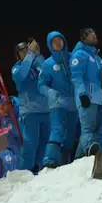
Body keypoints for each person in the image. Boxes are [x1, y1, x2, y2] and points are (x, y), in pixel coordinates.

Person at [38, 31, 77, 169]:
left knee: (71, 134)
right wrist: (50, 92)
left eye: (60, 40)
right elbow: (41, 85)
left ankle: (64, 160)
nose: (58, 43)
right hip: (57, 103)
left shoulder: (73, 58)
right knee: (57, 129)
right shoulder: (47, 64)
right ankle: (49, 159)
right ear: (50, 45)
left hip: (74, 104)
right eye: (54, 41)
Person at [11, 39, 50, 172]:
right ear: (18, 56)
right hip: (29, 112)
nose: (26, 52)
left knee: (45, 144)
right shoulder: (16, 69)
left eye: (26, 50)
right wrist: (30, 56)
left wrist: (38, 56)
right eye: (22, 52)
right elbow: (21, 76)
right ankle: (24, 173)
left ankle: (41, 170)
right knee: (30, 145)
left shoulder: (37, 62)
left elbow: (47, 73)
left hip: (46, 110)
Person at [70, 27, 102, 157]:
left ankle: (78, 158)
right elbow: (76, 76)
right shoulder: (79, 55)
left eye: (95, 34)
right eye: (91, 35)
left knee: (96, 131)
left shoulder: (98, 59)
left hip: (99, 99)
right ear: (83, 38)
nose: (94, 36)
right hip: (87, 98)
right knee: (88, 130)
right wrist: (82, 94)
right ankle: (93, 153)